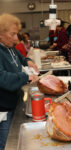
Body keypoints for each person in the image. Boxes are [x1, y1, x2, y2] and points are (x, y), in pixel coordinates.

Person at [0, 13, 39, 150]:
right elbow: (2, 78)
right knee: (7, 144)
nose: (16, 39)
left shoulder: (9, 47)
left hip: (14, 102)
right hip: (3, 109)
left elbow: (21, 58)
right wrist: (26, 77)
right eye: (13, 34)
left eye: (17, 34)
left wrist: (29, 61)